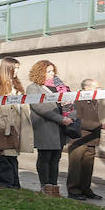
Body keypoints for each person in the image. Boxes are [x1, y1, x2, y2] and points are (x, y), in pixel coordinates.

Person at [26, 59, 72, 197]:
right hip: (46, 127)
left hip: (60, 129)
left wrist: (70, 114)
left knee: (56, 158)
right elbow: (40, 107)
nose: (52, 74)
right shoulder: (33, 87)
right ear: (40, 72)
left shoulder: (60, 87)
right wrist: (61, 119)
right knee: (45, 157)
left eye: (53, 71)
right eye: (48, 71)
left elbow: (69, 104)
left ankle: (53, 186)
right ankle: (45, 186)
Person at [66, 78, 105, 200]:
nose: (99, 90)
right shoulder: (77, 100)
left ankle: (85, 189)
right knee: (76, 166)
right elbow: (77, 120)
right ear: (86, 88)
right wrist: (99, 125)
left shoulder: (93, 101)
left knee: (88, 167)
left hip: (91, 139)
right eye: (97, 88)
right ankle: (74, 190)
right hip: (79, 138)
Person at [0, 56, 24, 190]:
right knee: (2, 153)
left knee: (12, 155)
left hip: (16, 122)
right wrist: (0, 123)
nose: (16, 72)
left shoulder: (16, 84)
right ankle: (5, 183)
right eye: (14, 68)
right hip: (2, 123)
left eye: (17, 69)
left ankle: (14, 183)